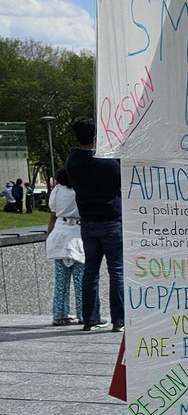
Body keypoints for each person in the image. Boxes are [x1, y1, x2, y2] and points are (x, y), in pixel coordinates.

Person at [65, 118, 124, 332]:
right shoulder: (108, 162)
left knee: (91, 271)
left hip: (87, 222)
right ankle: (120, 320)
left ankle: (90, 319)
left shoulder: (72, 161)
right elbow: (122, 180)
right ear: (97, 135)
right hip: (111, 220)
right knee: (116, 270)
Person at [45, 167, 84, 325]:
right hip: (78, 235)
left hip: (59, 234)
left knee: (61, 281)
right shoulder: (81, 189)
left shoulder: (57, 191)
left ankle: (60, 314)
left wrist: (49, 237)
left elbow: (53, 214)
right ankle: (84, 314)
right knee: (81, 281)